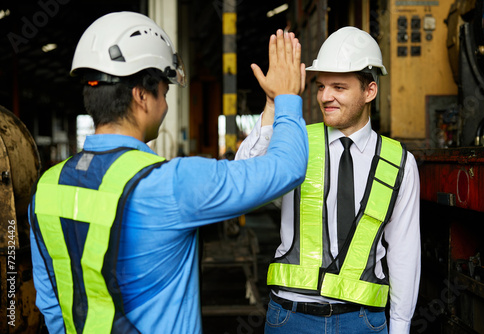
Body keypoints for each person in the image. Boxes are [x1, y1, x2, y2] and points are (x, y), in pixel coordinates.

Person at [28, 11, 308, 334]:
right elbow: (286, 168)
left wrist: (271, 106)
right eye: (164, 90)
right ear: (141, 95)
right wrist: (287, 98)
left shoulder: (46, 190)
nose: (165, 103)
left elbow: (51, 305)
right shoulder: (173, 183)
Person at [236, 26, 421, 333]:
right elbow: (244, 183)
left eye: (339, 87)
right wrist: (272, 104)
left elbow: (404, 253)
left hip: (362, 321)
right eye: (321, 86)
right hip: (290, 318)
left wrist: (400, 327)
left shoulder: (399, 162)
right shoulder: (298, 143)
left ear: (370, 91)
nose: (325, 97)